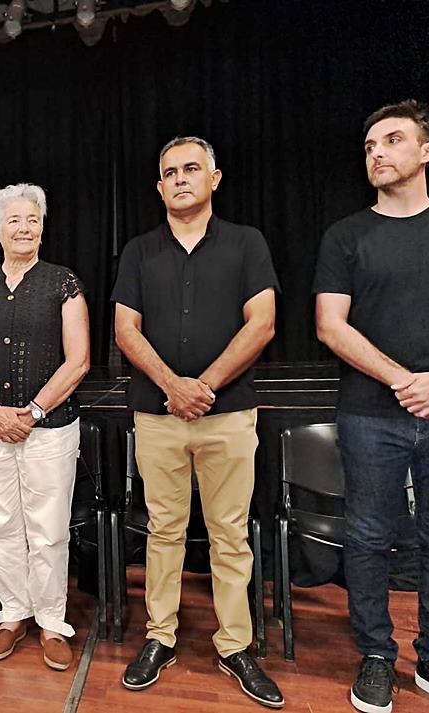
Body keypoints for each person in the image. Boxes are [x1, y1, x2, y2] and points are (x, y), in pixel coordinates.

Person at [112, 136, 284, 708]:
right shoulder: (138, 251)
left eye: (191, 168)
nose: (181, 178)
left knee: (229, 534)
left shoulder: (247, 243)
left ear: (214, 178)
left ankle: (235, 645)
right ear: (159, 187)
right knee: (163, 530)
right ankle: (159, 636)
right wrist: (173, 387)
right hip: (158, 414)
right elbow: (125, 330)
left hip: (227, 414)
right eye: (170, 172)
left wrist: (202, 386)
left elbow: (262, 324)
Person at [314, 99, 429, 713]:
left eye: (392, 140)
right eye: (369, 146)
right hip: (369, 411)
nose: (378, 153)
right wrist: (404, 380)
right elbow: (330, 326)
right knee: (366, 537)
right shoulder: (345, 235)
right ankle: (377, 656)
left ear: (427, 151)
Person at [0, 183, 90, 671]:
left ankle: (51, 622)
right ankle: (13, 614)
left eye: (32, 219)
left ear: (43, 228)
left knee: (48, 528)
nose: (24, 228)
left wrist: (31, 412)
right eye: (14, 220)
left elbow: (78, 360)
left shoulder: (63, 283)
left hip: (49, 428)